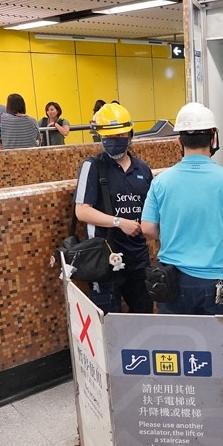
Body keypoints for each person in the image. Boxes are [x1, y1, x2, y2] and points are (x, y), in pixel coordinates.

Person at [141, 102, 223, 349]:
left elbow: (147, 228)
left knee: (177, 347)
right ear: (213, 138)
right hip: (217, 283)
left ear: (179, 142)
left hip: (172, 281)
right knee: (214, 349)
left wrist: (172, 232)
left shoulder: (161, 182)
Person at [74, 103, 154, 314]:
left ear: (130, 134)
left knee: (143, 314)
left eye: (119, 135)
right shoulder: (92, 167)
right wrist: (119, 222)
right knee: (108, 319)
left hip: (137, 257)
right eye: (108, 136)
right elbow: (82, 211)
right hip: (104, 258)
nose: (113, 141)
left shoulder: (142, 169)